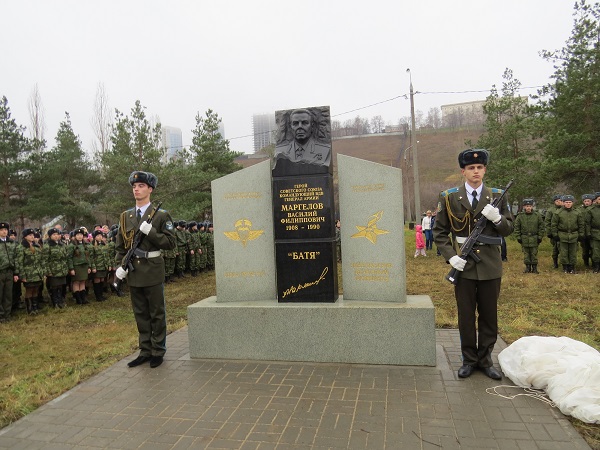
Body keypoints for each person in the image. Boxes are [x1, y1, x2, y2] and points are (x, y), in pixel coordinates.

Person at [433, 149, 514, 380]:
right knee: (466, 315)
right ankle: (469, 360)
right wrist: (451, 256)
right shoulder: (448, 197)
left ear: (484, 170)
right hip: (464, 265)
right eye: (471, 168)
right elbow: (439, 232)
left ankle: (485, 360)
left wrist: (497, 218)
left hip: (490, 265)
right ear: (463, 171)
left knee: (489, 315)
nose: (475, 171)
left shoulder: (497, 195)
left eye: (479, 168)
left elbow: (509, 228)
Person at [114, 171, 176, 369]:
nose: (136, 189)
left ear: (150, 189)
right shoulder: (125, 217)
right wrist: (119, 267)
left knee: (156, 313)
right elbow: (120, 246)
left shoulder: (160, 215)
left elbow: (170, 243)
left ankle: (158, 350)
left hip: (152, 269)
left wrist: (153, 233)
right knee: (140, 313)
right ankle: (145, 350)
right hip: (133, 271)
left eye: (140, 186)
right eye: (134, 186)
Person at [551, 195, 584, 274]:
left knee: (573, 252)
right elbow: (554, 225)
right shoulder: (558, 213)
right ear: (563, 203)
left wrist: (581, 234)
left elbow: (581, 224)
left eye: (570, 202)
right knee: (563, 252)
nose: (568, 204)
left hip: (574, 234)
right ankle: (565, 267)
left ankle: (572, 267)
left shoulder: (577, 212)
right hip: (562, 234)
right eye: (566, 202)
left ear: (572, 203)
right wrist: (555, 235)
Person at [15, 228, 45, 315]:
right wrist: (22, 275)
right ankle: (30, 308)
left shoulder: (36, 246)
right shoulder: (21, 247)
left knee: (36, 289)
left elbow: (41, 260)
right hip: (28, 273)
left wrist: (42, 271)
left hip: (37, 272)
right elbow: (19, 262)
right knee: (29, 290)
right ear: (25, 237)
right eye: (30, 235)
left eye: (33, 235)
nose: (32, 237)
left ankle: (35, 307)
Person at [513, 198, 545, 273]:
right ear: (524, 207)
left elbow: (541, 227)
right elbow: (517, 227)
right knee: (526, 253)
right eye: (527, 206)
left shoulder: (537, 216)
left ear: (532, 207)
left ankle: (534, 268)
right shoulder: (520, 216)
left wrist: (540, 237)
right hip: (524, 238)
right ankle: (527, 267)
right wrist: (518, 237)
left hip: (534, 238)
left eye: (530, 206)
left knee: (534, 253)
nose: (528, 208)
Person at [42, 227, 69, 309]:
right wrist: (47, 271)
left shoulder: (62, 245)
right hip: (53, 269)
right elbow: (45, 260)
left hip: (62, 269)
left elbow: (65, 257)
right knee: (54, 286)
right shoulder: (48, 246)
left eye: (57, 234)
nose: (56, 236)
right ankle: (55, 302)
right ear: (50, 236)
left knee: (61, 286)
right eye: (54, 234)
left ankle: (61, 300)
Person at [67, 228, 93, 305]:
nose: (80, 236)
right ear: (75, 236)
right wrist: (71, 268)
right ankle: (78, 299)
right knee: (76, 282)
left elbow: (88, 256)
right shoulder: (72, 245)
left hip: (84, 266)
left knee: (83, 282)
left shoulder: (85, 244)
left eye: (81, 235)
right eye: (78, 235)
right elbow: (69, 258)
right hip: (76, 266)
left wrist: (89, 267)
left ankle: (83, 298)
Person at [0, 222, 19, 322]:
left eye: (6, 230)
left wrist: (16, 273)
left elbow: (15, 258)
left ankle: (7, 315)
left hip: (9, 272)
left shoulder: (11, 242)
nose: (4, 231)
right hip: (0, 272)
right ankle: (1, 315)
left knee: (8, 294)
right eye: (2, 230)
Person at [545, 194, 563, 268]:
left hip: (563, 232)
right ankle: (555, 263)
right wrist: (549, 233)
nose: (559, 202)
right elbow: (547, 222)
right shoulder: (550, 210)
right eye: (557, 201)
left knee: (563, 249)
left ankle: (564, 263)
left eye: (560, 201)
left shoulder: (564, 209)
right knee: (555, 249)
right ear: (554, 202)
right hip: (554, 233)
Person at [585, 192, 600, 273]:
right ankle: (596, 267)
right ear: (596, 200)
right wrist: (588, 233)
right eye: (599, 199)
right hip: (595, 232)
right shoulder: (591, 210)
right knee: (596, 251)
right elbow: (587, 223)